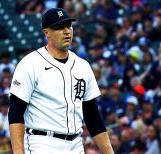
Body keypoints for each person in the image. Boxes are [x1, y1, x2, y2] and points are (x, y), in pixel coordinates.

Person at [8, 8, 114, 154]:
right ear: (46, 33)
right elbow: (15, 112)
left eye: (68, 26)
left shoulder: (83, 66)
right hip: (42, 143)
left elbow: (92, 115)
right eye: (59, 27)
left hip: (76, 144)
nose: (66, 31)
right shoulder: (30, 64)